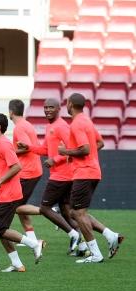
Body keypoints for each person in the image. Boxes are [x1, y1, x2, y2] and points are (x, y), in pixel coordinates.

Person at [59, 93, 125, 263]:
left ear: (70, 104)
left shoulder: (76, 124)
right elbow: (100, 143)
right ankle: (111, 236)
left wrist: (66, 152)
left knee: (77, 214)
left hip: (84, 172)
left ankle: (96, 254)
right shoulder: (87, 121)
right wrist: (84, 156)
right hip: (92, 171)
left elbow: (86, 149)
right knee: (77, 212)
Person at [0, 113, 45, 274]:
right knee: (1, 230)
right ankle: (17, 264)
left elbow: (16, 167)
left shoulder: (4, 144)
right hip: (7, 193)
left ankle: (34, 244)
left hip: (9, 193)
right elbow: (6, 168)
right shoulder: (0, 144)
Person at [16, 98, 84, 255]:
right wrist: (29, 147)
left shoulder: (61, 126)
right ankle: (82, 247)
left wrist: (56, 159)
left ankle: (74, 235)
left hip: (63, 175)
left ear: (59, 109)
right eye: (45, 107)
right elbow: (45, 149)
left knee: (45, 208)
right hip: (60, 174)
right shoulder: (50, 127)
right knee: (66, 210)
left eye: (51, 107)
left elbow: (71, 148)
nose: (47, 110)